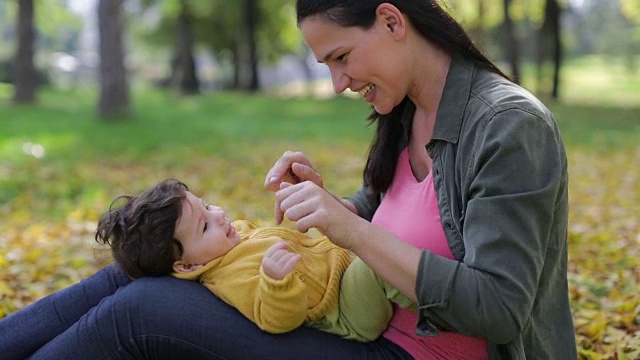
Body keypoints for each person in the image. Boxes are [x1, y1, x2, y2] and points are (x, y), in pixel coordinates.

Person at [0, 1, 578, 359]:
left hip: (412, 352)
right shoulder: (408, 110)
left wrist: (349, 232)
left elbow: (502, 309)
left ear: (391, 20)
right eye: (328, 64)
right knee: (131, 273)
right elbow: (391, 220)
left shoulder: (509, 127)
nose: (337, 82)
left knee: (142, 310)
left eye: (341, 56)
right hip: (359, 326)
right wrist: (324, 203)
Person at [94, 178, 411, 341]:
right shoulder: (230, 279)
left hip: (336, 274)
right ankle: (429, 297)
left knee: (377, 241)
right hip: (343, 310)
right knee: (377, 256)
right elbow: (276, 320)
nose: (218, 216)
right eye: (205, 226)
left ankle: (419, 279)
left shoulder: (229, 241)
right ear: (187, 266)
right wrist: (276, 285)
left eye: (208, 206)